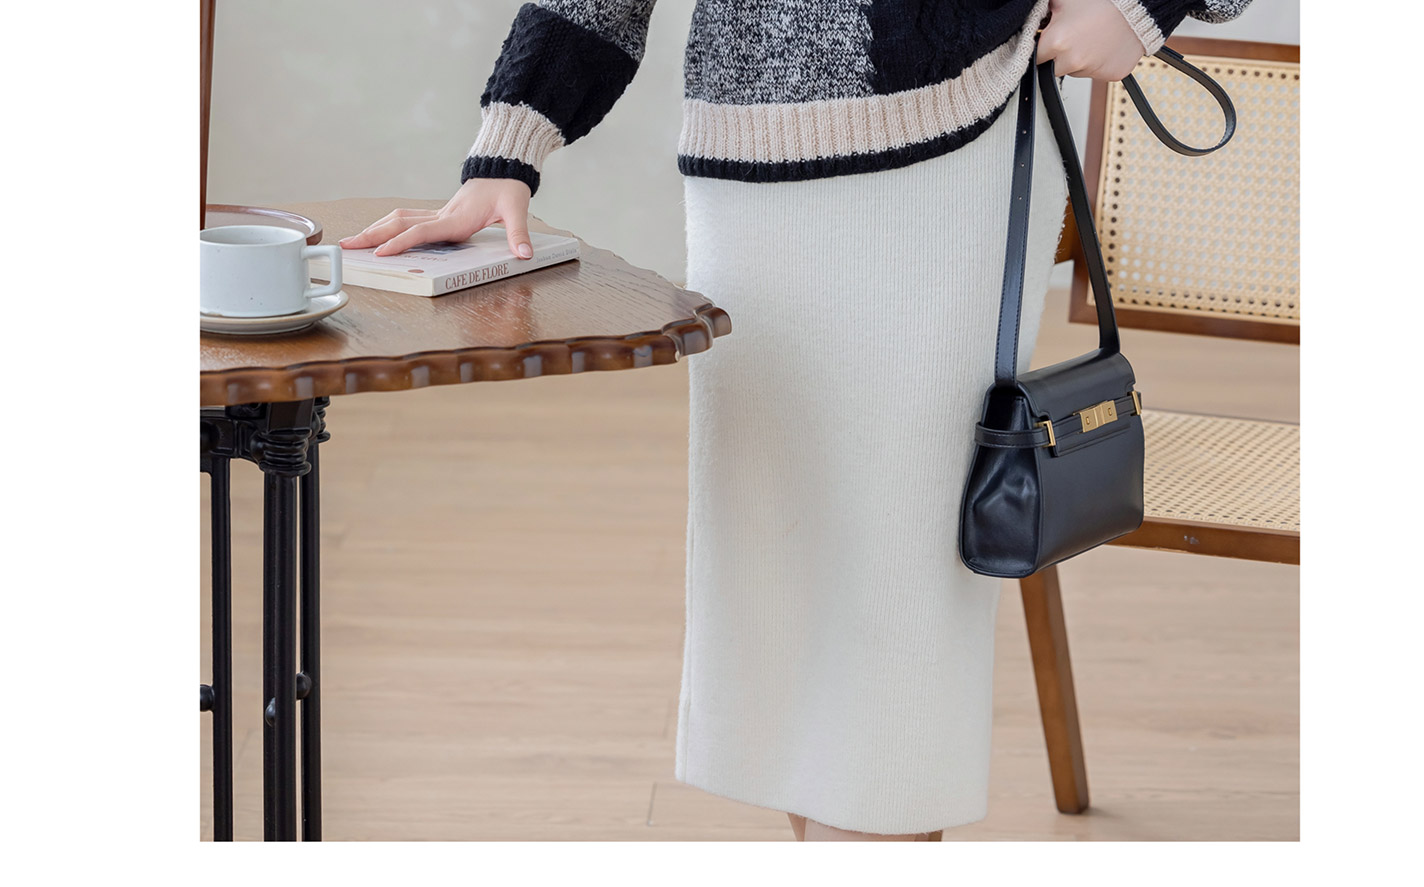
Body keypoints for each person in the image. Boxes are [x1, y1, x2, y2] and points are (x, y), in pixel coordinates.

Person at [340, 0, 1253, 842]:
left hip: (947, 143)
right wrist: (510, 148)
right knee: (777, 577)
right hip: (747, 160)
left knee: (896, 589)